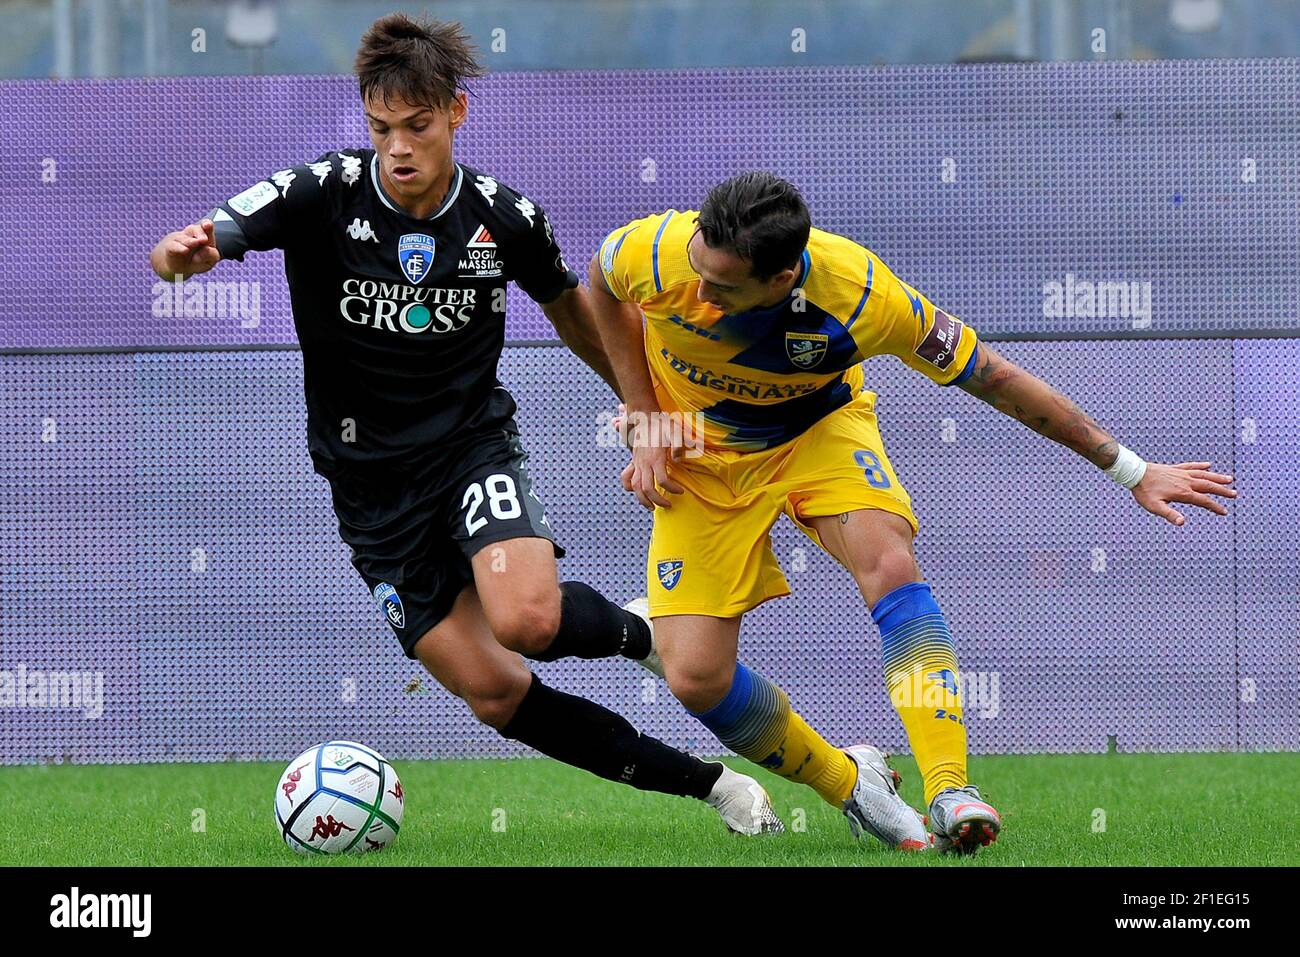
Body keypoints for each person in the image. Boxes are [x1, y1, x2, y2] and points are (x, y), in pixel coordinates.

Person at [148, 14, 784, 837]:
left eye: (417, 125)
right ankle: (713, 783)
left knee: (526, 619)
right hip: (370, 491)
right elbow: (206, 236)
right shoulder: (323, 192)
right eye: (382, 129)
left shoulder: (504, 217)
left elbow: (574, 311)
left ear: (456, 113)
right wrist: (179, 256)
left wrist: (643, 410)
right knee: (494, 692)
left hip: (469, 448)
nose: (399, 147)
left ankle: (641, 637)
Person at [590, 171, 1237, 853]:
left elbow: (992, 375)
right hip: (704, 454)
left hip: (820, 434)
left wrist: (1128, 466)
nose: (698, 291)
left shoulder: (866, 296)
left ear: (781, 280)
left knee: (890, 564)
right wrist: (644, 417)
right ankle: (852, 783)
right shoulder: (660, 248)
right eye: (698, 267)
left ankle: (951, 787)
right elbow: (602, 290)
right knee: (694, 676)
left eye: (721, 287)